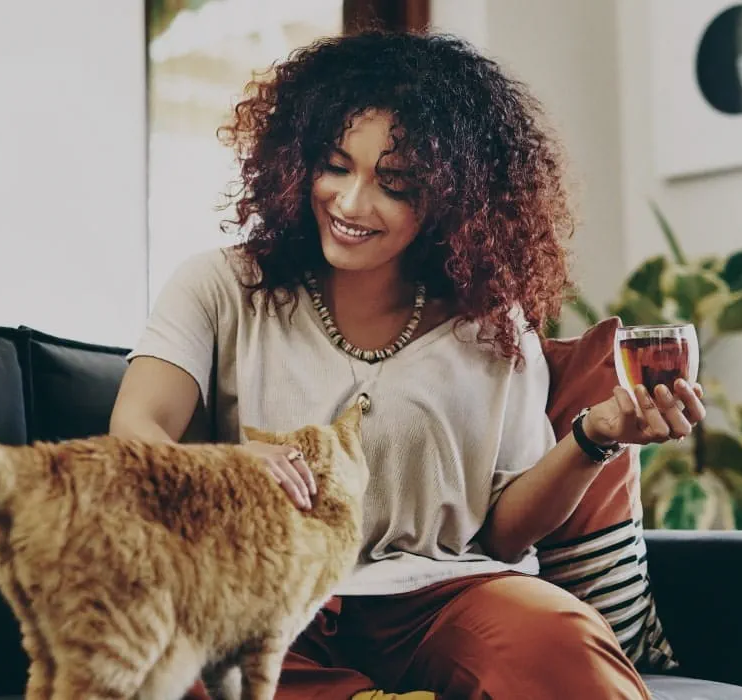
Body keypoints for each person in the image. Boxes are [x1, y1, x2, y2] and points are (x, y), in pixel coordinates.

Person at [110, 29, 706, 700]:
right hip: (265, 588)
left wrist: (594, 436)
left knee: (556, 637)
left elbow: (506, 536)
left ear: (455, 197)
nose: (352, 202)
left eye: (393, 184)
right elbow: (136, 429)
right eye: (335, 165)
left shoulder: (494, 327)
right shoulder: (220, 286)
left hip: (440, 600)